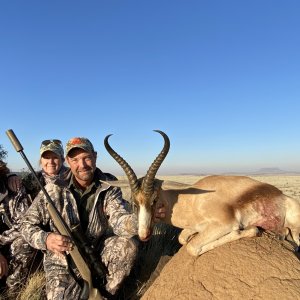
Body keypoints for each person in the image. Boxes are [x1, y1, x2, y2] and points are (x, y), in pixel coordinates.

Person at [21, 137, 158, 299]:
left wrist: (142, 220)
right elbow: (26, 225)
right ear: (68, 161)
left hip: (96, 252)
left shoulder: (108, 186)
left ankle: (104, 294)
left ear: (95, 156)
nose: (82, 165)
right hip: (62, 261)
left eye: (87, 158)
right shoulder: (51, 190)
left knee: (127, 245)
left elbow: (119, 221)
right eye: (75, 159)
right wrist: (46, 239)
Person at [0, 159, 36, 296]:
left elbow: (23, 224)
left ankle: (12, 292)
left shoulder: (13, 187)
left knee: (24, 242)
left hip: (10, 241)